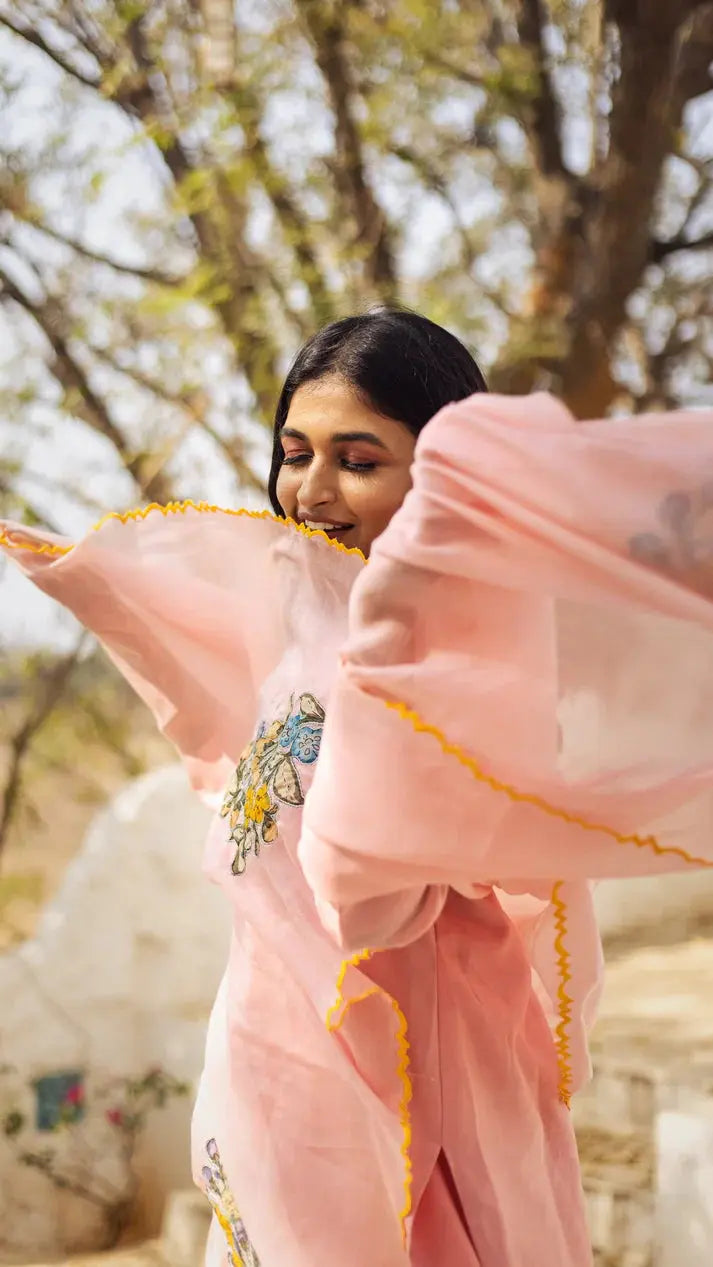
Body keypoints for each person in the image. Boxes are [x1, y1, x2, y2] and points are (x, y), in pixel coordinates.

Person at [2, 308, 713, 1267]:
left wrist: (383, 652)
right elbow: (193, 614)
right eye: (295, 452)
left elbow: (371, 884)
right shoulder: (306, 612)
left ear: (440, 479)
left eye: (358, 459)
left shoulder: (449, 667)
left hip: (397, 1063)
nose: (311, 490)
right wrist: (75, 567)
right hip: (271, 1053)